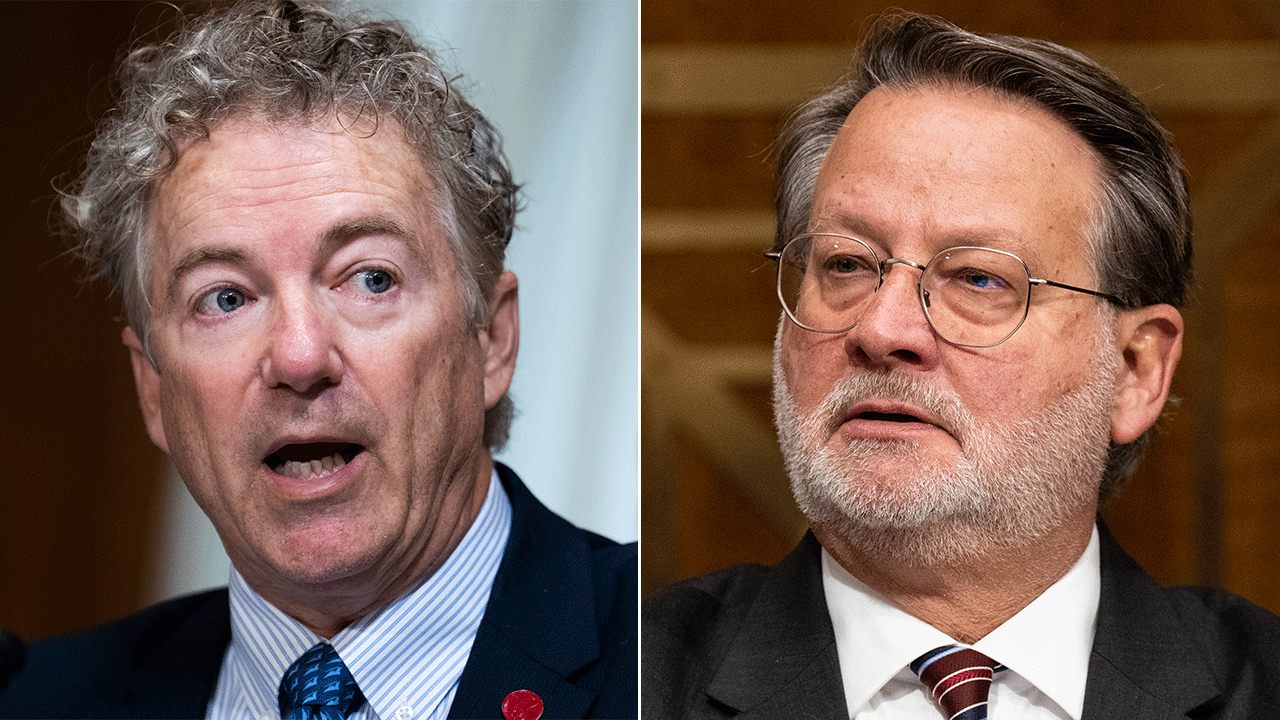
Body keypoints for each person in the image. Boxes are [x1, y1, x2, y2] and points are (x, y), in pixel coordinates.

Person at [0, 1, 636, 718]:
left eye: (371, 279)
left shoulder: (665, 659)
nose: (300, 357)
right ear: (153, 389)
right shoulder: (34, 700)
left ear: (491, 338)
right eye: (226, 299)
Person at [643, 11, 1280, 720]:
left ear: (1136, 370)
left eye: (978, 278)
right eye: (848, 264)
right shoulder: (635, 680)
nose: (882, 329)